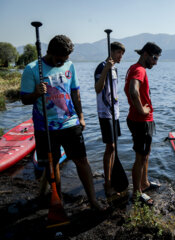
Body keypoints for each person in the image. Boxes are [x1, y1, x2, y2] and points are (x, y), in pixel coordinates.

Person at [20, 35, 102, 210]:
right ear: (50, 52)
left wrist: (81, 116)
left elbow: (75, 93)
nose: (63, 62)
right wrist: (35, 93)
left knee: (82, 160)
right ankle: (57, 202)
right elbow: (24, 99)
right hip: (45, 127)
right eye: (60, 59)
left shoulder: (69, 65)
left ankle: (93, 200)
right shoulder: (32, 69)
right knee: (52, 163)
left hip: (70, 123)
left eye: (66, 58)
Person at [124, 42, 162, 206]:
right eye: (154, 58)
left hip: (142, 120)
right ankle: (136, 193)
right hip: (141, 120)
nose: (155, 62)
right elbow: (133, 91)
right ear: (145, 54)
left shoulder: (135, 68)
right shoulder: (139, 69)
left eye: (157, 59)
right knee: (140, 157)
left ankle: (144, 183)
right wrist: (141, 110)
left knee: (145, 153)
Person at [94, 42, 125, 198]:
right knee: (111, 147)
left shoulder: (115, 69)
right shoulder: (101, 67)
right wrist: (106, 68)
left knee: (113, 147)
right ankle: (107, 183)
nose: (121, 56)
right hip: (105, 113)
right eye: (119, 53)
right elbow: (98, 89)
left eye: (122, 54)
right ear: (111, 52)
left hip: (115, 112)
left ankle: (111, 178)